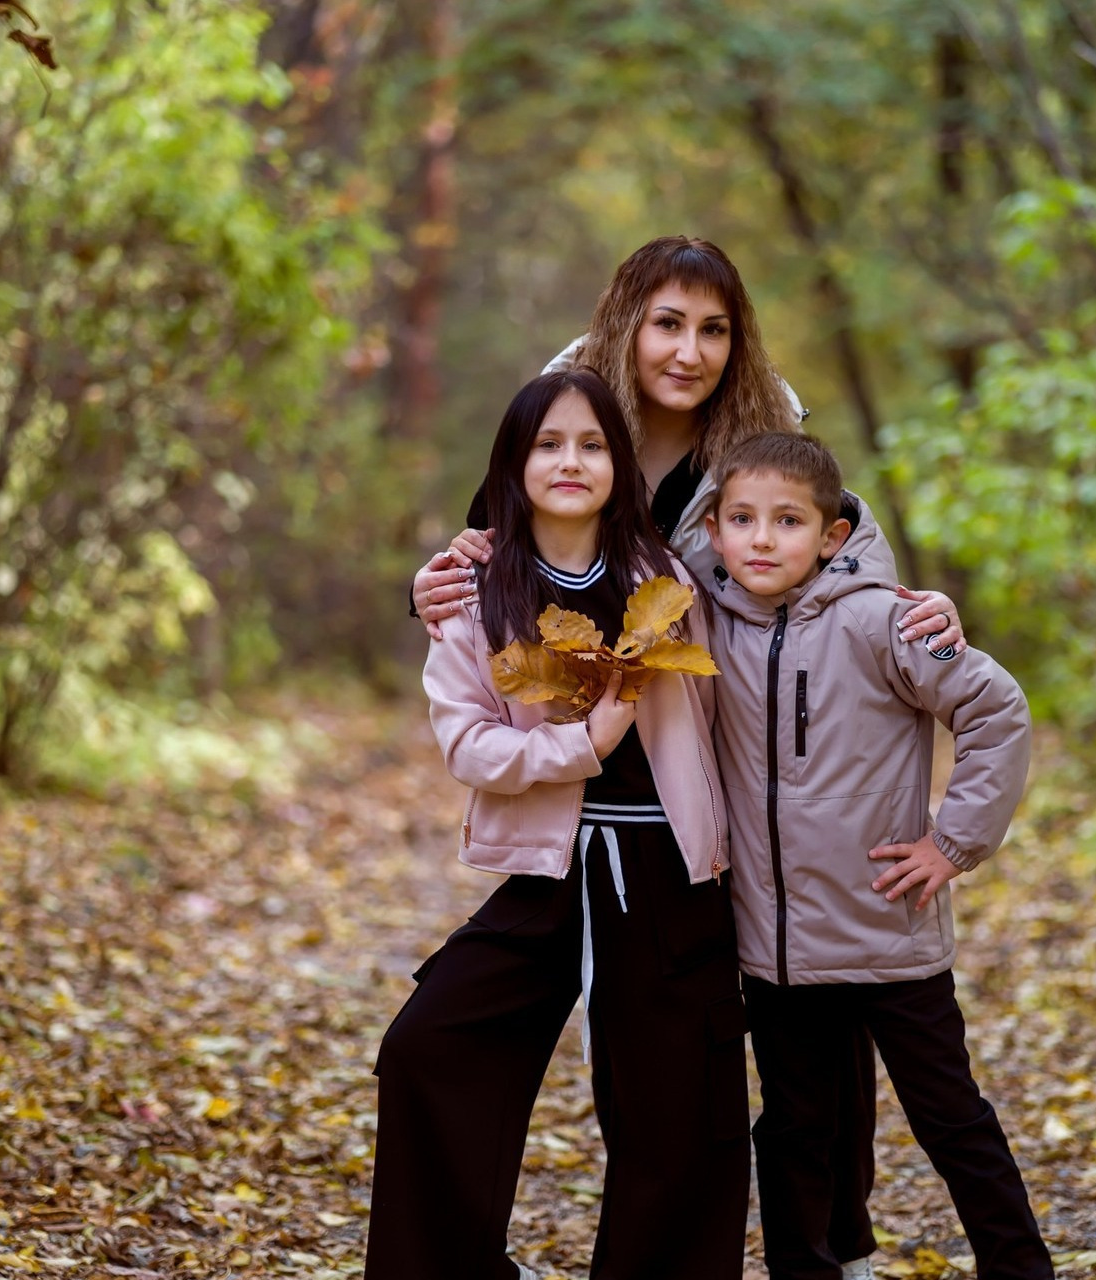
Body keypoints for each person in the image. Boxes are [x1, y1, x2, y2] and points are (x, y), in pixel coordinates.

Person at [411, 235, 967, 1279]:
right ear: (627, 322)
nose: (688, 349)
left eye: (711, 328)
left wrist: (921, 608)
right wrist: (426, 589)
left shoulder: (767, 447)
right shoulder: (570, 426)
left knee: (808, 1027)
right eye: (667, 322)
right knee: (499, 1045)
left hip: (756, 784)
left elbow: (855, 568)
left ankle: (830, 1244)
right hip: (597, 807)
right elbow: (488, 573)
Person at [365, 368, 749, 1280]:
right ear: (513, 463)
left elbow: (799, 562)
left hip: (667, 871)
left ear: (620, 465)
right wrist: (581, 743)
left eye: (591, 444)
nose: (570, 460)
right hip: (548, 869)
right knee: (426, 1047)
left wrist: (901, 610)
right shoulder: (476, 593)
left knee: (679, 1118)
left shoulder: (666, 578)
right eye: (548, 444)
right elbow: (469, 746)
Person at [700, 431, 1055, 1280]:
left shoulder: (887, 619)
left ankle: (1021, 1268)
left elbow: (995, 713)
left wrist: (951, 843)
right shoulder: (705, 619)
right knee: (792, 1130)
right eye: (741, 519)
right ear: (712, 531)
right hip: (778, 953)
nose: (760, 538)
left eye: (787, 521)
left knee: (950, 1118)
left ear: (831, 534)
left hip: (890, 933)